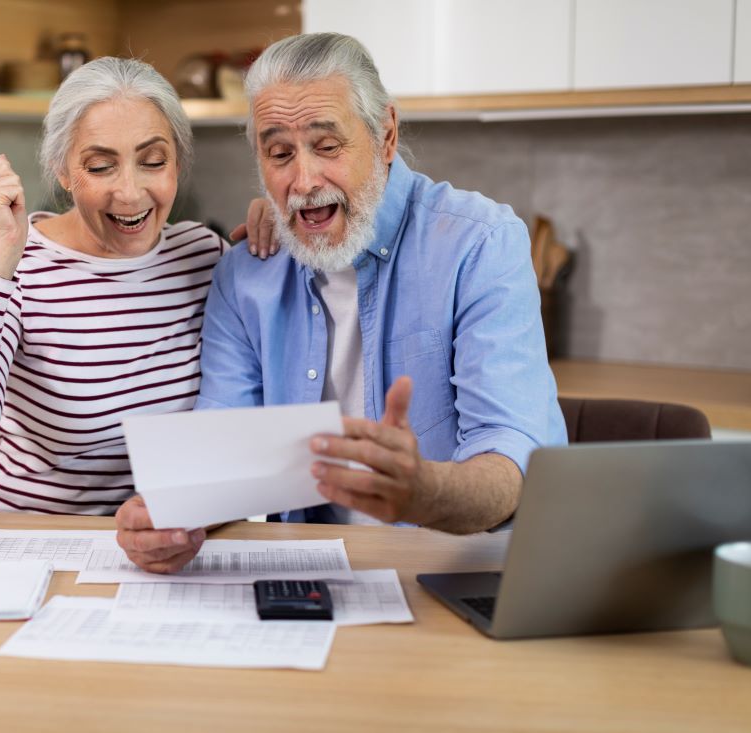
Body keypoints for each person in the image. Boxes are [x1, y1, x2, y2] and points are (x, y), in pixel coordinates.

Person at [116, 32, 568, 572]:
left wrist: (427, 491)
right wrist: (176, 517)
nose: (303, 180)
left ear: (385, 135)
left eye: (327, 147)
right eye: (279, 153)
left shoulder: (479, 243)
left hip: (458, 567)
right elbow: (222, 450)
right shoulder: (246, 274)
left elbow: (513, 455)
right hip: (314, 576)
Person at [0, 57, 274, 514]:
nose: (129, 193)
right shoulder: (12, 267)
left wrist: (286, 229)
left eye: (152, 161)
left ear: (177, 163)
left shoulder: (204, 256)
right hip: (26, 548)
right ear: (64, 172)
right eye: (101, 166)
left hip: (163, 546)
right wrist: (2, 256)